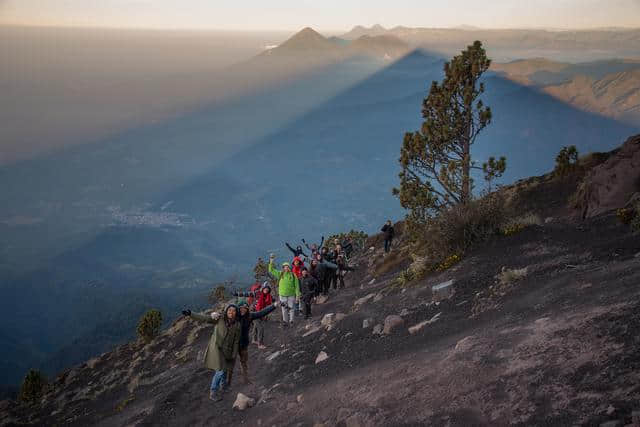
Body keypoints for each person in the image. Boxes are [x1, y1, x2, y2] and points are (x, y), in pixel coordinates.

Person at [182, 304, 241, 402]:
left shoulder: (237, 325)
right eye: (229, 310)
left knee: (226, 368)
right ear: (226, 311)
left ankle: (223, 386)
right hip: (217, 348)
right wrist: (191, 314)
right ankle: (213, 391)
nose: (231, 312)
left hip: (228, 350)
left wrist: (234, 354)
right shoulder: (220, 319)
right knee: (220, 370)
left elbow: (236, 341)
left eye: (234, 310)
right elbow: (205, 318)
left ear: (236, 312)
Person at [227, 299, 277, 386]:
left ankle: (246, 380)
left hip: (244, 345)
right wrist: (214, 315)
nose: (243, 310)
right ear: (238, 309)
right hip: (233, 345)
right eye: (241, 308)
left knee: (244, 363)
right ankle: (227, 383)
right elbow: (224, 316)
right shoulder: (234, 316)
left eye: (245, 308)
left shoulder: (249, 316)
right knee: (230, 365)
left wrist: (274, 306)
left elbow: (261, 313)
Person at [268, 254, 301, 326]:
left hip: (291, 294)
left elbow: (297, 286)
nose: (286, 268)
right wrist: (271, 260)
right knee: (284, 309)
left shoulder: (293, 275)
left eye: (287, 267)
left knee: (291, 308)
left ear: (289, 267)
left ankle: (291, 321)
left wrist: (297, 295)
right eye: (284, 267)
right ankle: (285, 321)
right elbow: (271, 270)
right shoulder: (280, 274)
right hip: (282, 294)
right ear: (283, 268)